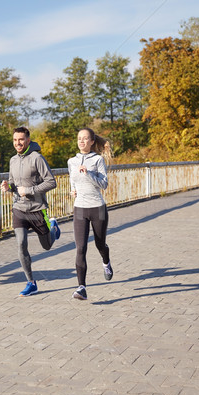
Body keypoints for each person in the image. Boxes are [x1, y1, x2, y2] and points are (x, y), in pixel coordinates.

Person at [0, 126, 61, 297]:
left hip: (37, 209)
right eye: (14, 140)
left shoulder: (37, 158)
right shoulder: (12, 160)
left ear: (28, 140)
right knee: (21, 243)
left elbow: (51, 182)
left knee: (47, 246)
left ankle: (53, 228)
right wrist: (8, 187)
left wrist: (29, 190)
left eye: (20, 139)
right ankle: (31, 282)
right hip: (19, 208)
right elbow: (13, 184)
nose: (17, 143)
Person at [68, 127, 113, 300]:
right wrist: (73, 191)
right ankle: (81, 288)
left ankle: (106, 262)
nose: (81, 141)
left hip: (98, 208)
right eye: (79, 138)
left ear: (92, 141)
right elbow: (73, 180)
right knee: (81, 248)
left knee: (100, 244)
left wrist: (88, 174)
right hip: (79, 208)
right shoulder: (72, 161)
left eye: (85, 138)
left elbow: (104, 184)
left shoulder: (98, 160)